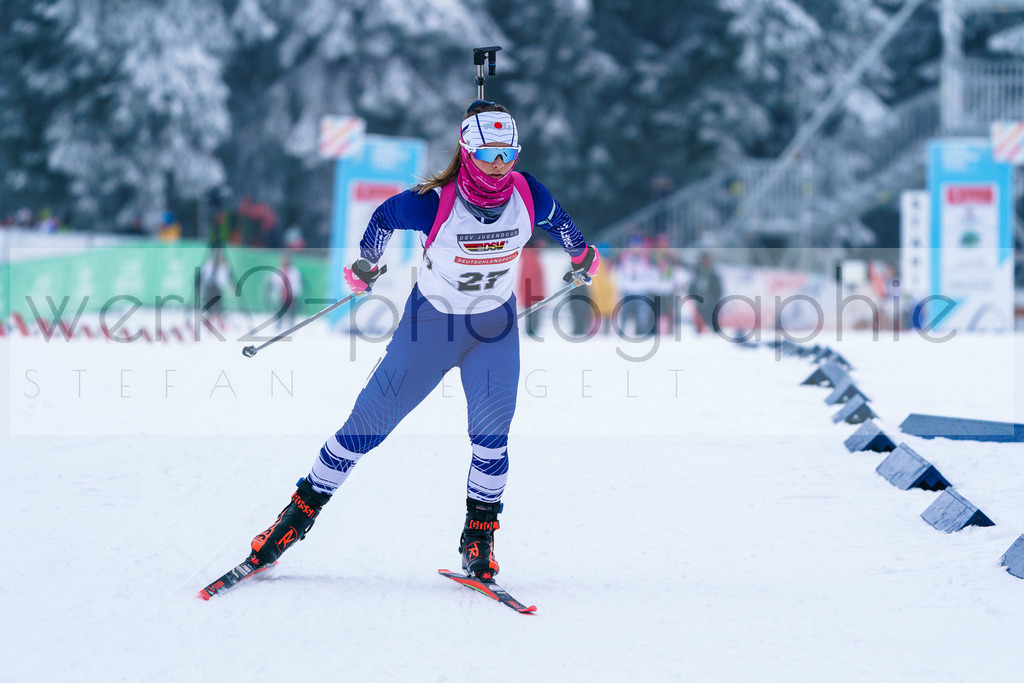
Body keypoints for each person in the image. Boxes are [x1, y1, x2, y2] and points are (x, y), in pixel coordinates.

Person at [241, 101, 600, 583]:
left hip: (493, 331)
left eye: (508, 151)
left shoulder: (527, 192)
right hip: (428, 330)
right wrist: (367, 263)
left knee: (491, 439)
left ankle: (478, 540)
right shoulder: (434, 202)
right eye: (490, 152)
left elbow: (562, 223)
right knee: (363, 429)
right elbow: (384, 217)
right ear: (468, 150)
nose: (500, 163)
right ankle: (292, 522)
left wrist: (582, 255)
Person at [688, 252, 723, 334]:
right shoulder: (696, 274)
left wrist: (714, 299)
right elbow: (691, 288)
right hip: (700, 303)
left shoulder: (713, 275)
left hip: (712, 303)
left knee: (714, 325)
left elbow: (718, 289)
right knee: (698, 327)